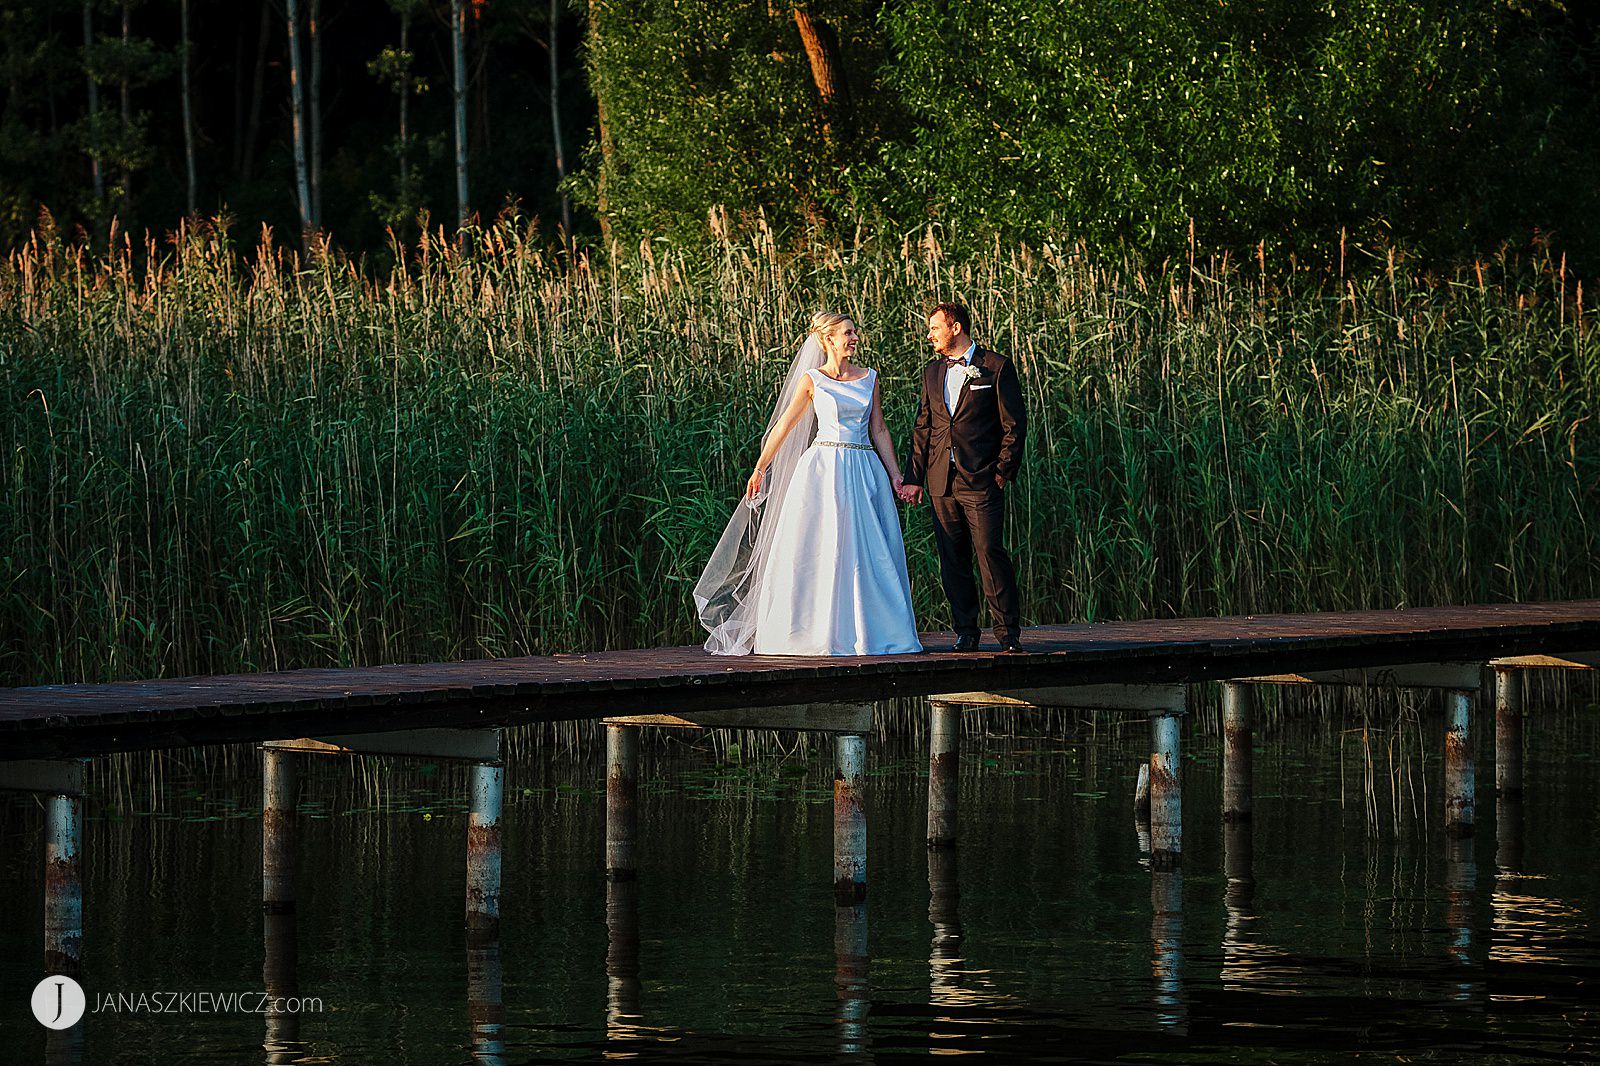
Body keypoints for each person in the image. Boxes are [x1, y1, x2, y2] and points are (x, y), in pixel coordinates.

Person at [694, 312, 922, 656]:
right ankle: (814, 631)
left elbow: (879, 429)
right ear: (828, 340)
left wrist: (894, 474)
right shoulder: (812, 379)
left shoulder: (870, 378)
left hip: (862, 469)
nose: (855, 338)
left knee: (866, 551)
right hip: (822, 471)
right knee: (818, 547)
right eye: (848, 333)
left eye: (854, 332)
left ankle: (871, 631)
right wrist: (759, 468)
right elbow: (784, 427)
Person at [898, 303, 1027, 652]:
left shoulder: (995, 367)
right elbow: (924, 427)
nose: (929, 335)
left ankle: (1007, 633)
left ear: (955, 328)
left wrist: (1001, 473)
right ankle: (966, 631)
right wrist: (914, 477)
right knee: (952, 558)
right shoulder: (931, 373)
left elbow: (1014, 425)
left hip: (982, 479)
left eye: (934, 328)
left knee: (989, 551)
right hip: (941, 480)